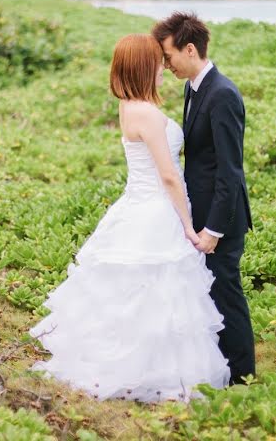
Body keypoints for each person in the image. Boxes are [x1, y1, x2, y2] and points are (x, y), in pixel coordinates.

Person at [28, 33, 230, 402]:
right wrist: (187, 224)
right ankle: (149, 372)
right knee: (157, 295)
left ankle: (131, 367)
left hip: (136, 204)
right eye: (156, 62)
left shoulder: (127, 106)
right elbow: (168, 175)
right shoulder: (147, 113)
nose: (162, 69)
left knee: (131, 296)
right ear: (142, 66)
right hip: (155, 209)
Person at [152, 12, 255, 385]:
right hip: (201, 212)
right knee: (209, 295)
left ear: (190, 49)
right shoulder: (193, 88)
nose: (166, 65)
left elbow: (230, 171)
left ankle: (244, 376)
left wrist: (213, 229)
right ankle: (219, 370)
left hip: (221, 218)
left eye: (169, 56)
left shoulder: (223, 94)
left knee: (227, 294)